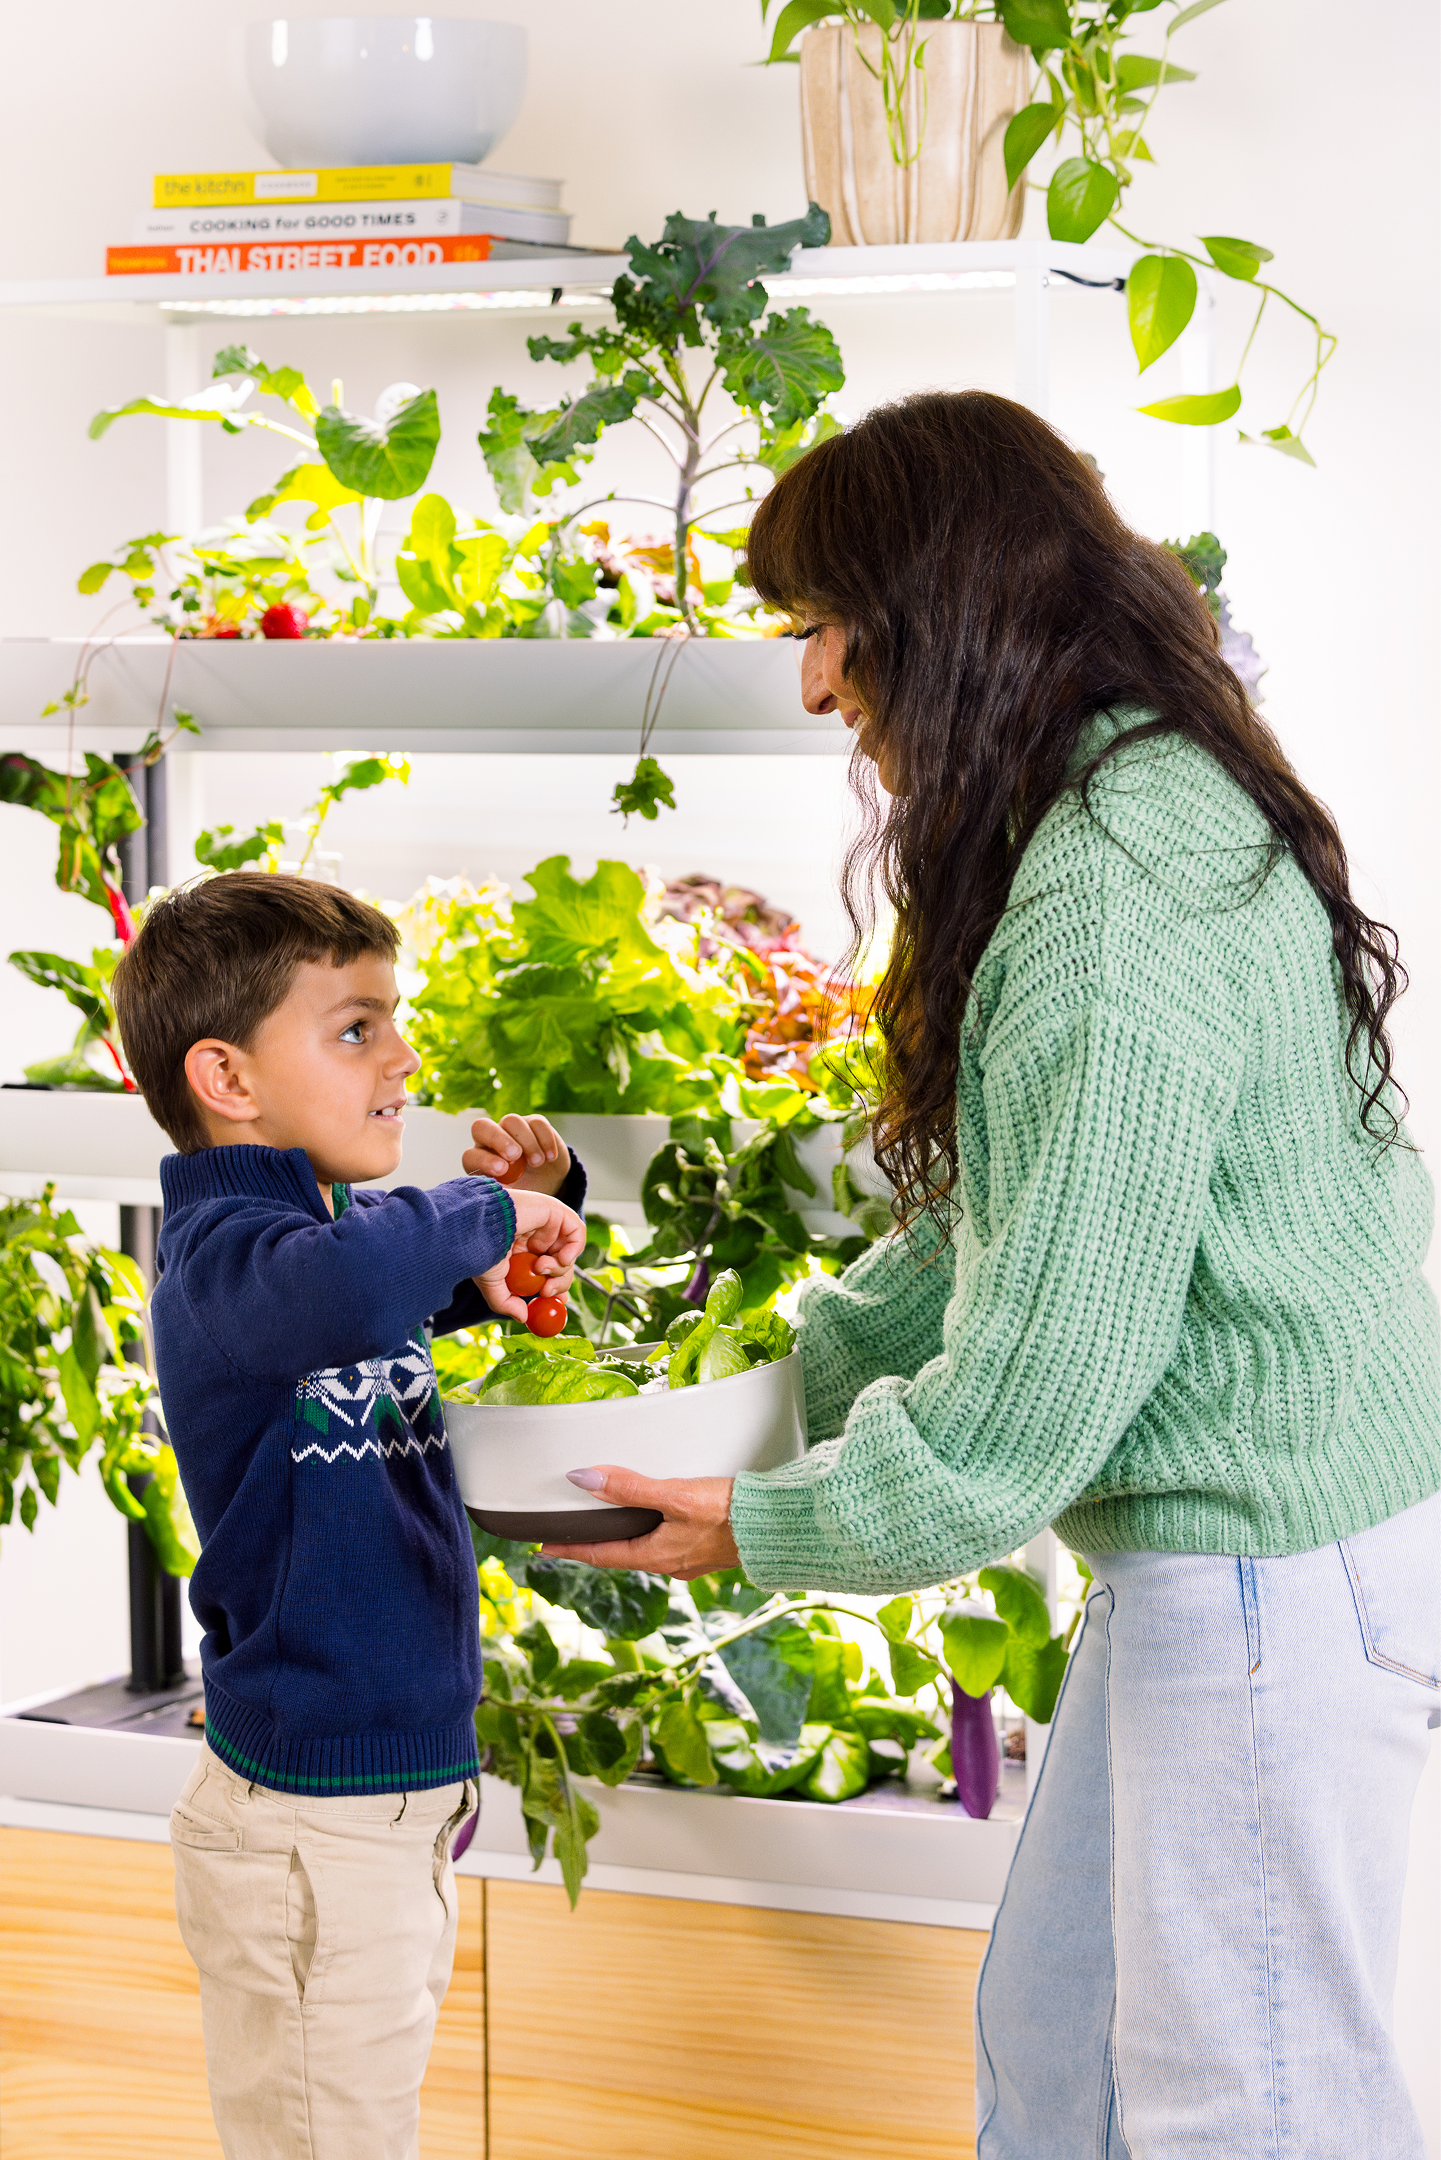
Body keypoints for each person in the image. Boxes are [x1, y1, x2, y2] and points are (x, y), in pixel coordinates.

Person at [541, 392, 1441, 2158]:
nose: (810, 683)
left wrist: (762, 1522)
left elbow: (1038, 1390)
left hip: (1259, 1569)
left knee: (1245, 2110)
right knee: (1062, 2058)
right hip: (1258, 1552)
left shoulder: (1111, 894)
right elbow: (1029, 1217)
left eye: (822, 624)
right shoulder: (1142, 792)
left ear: (940, 605)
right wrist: (763, 1389)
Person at [111, 872, 585, 2160]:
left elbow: (406, 1276)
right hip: (304, 1835)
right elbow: (353, 1281)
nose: (407, 1058)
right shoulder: (226, 1261)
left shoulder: (328, 1235)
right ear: (228, 1077)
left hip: (378, 1812)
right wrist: (480, 1209)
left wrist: (530, 1221)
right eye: (357, 1027)